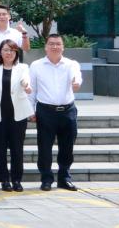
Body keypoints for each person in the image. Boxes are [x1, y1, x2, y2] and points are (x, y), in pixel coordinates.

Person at [30, 34, 82, 192]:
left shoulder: (71, 64)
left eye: (58, 44)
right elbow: (32, 90)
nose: (54, 47)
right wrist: (31, 110)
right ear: (45, 47)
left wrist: (76, 83)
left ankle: (64, 178)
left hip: (68, 111)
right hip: (46, 111)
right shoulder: (36, 65)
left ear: (63, 47)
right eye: (51, 44)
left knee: (67, 147)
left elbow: (77, 78)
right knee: (44, 147)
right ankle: (46, 178)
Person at [0, 39, 34, 192]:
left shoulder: (23, 67)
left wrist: (26, 86)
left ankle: (17, 180)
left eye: (12, 50)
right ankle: (4, 180)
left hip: (18, 115)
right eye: (6, 50)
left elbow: (25, 80)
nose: (9, 53)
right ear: (0, 52)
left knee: (17, 149)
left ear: (16, 53)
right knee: (0, 149)